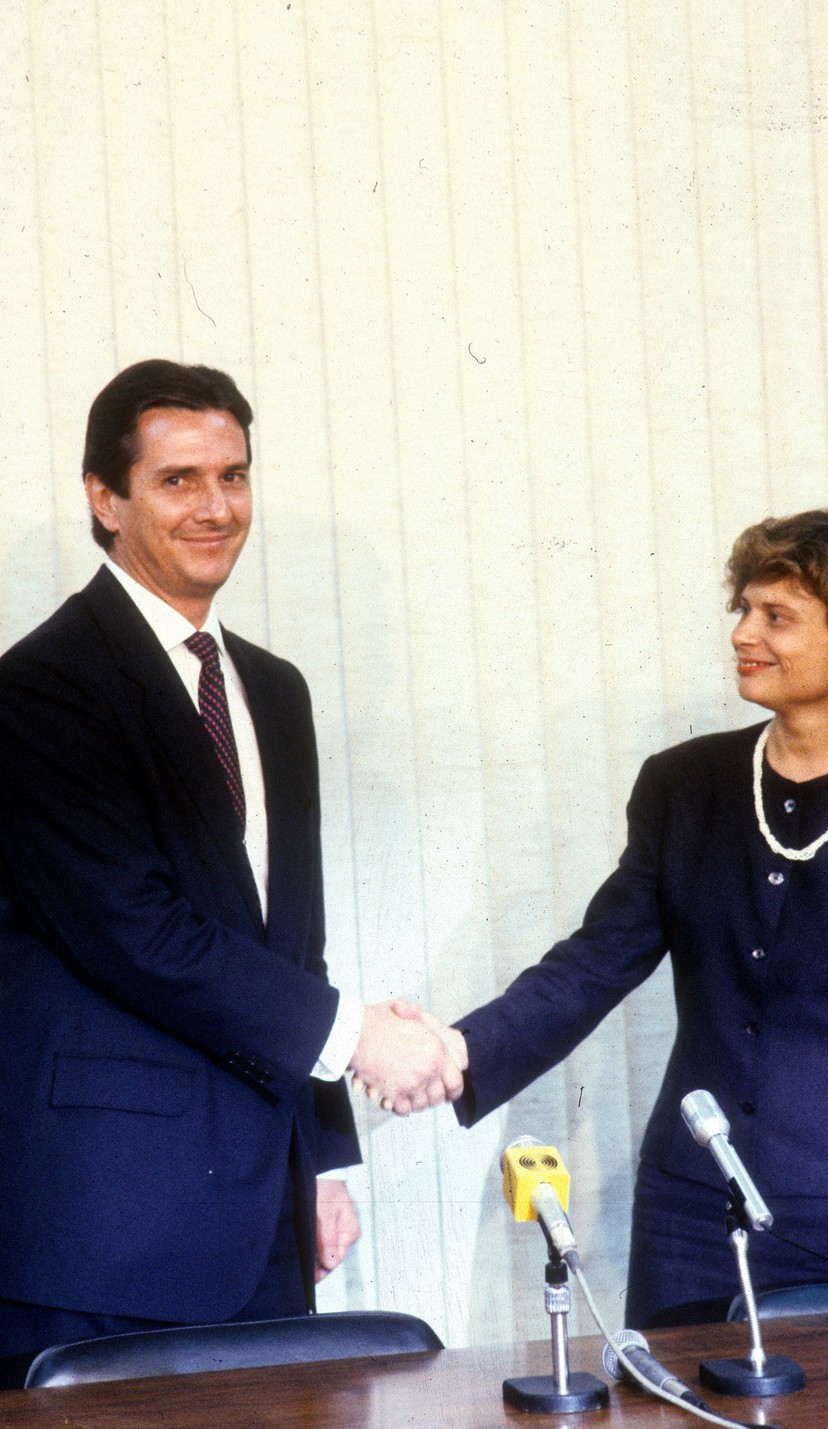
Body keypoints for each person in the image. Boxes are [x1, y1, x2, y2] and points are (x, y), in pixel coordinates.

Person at [386, 509, 828, 1327]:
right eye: (744, 607)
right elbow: (594, 961)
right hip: (686, 1215)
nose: (745, 632)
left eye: (777, 616)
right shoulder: (685, 785)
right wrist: (459, 1051)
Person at [0, 360, 462, 1384]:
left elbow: (289, 946)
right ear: (104, 498)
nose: (216, 508)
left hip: (261, 1216)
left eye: (235, 475)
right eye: (178, 480)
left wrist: (323, 1157)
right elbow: (139, 930)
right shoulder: (39, 692)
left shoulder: (273, 688)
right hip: (103, 1226)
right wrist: (359, 1040)